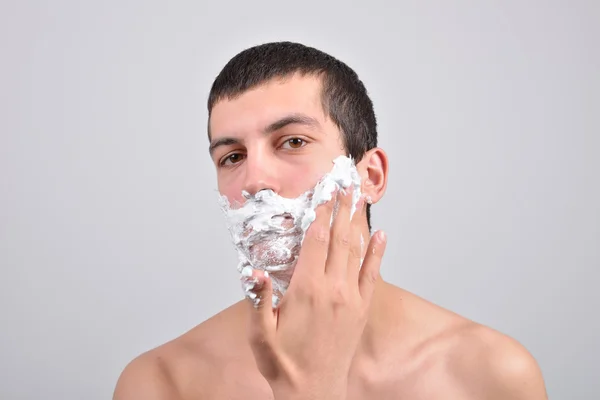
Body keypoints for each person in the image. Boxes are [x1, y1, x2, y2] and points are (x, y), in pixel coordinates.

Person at [113, 41, 547, 399]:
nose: (254, 179)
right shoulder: (162, 383)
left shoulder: (490, 375)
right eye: (232, 157)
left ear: (370, 177)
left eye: (293, 141)